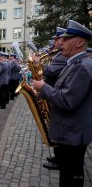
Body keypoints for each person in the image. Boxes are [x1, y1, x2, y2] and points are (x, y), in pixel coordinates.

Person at [32, 20, 92, 187]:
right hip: (72, 131)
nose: (60, 42)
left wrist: (43, 87)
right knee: (68, 175)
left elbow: (67, 100)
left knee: (70, 179)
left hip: (73, 133)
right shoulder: (74, 63)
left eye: (66, 39)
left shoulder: (80, 66)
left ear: (79, 42)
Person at [33, 27, 68, 171]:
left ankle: (60, 159)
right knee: (56, 125)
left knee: (59, 127)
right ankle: (58, 156)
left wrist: (37, 63)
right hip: (53, 91)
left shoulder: (63, 56)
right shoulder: (59, 54)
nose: (55, 42)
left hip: (55, 93)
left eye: (57, 39)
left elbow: (50, 71)